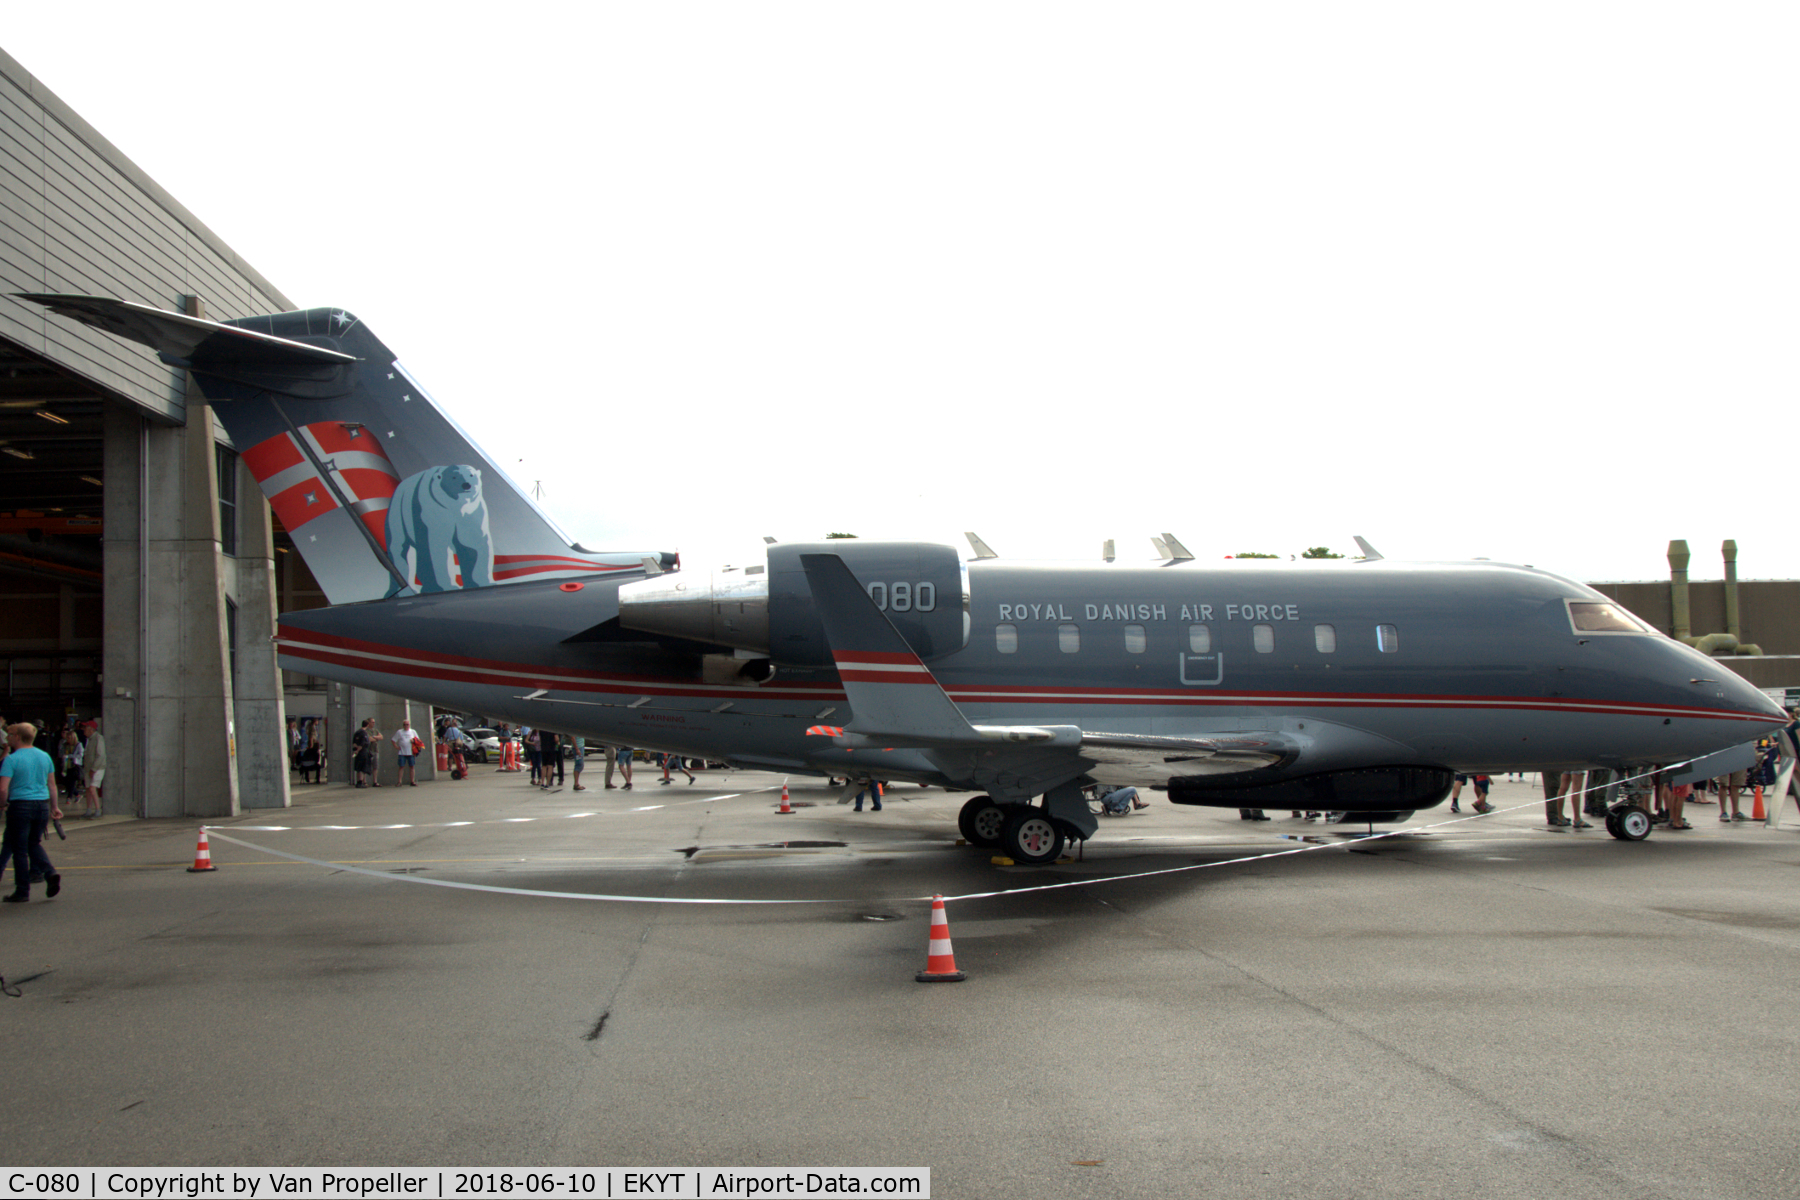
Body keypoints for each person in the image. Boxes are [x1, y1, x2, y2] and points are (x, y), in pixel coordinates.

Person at [0, 722, 62, 902]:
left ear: (18, 737)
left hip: (20, 805)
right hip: (41, 804)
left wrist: (2, 804)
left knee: (19, 849)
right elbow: (52, 785)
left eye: (10, 734)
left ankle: (22, 890)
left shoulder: (12, 759)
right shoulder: (44, 756)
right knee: (33, 843)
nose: (7, 737)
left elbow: (3, 789)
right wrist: (54, 807)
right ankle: (49, 873)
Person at [81, 718, 106, 818]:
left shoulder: (98, 738)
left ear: (91, 729)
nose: (84, 730)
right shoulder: (89, 739)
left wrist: (94, 769)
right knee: (88, 789)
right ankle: (88, 810)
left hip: (97, 768)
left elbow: (100, 755)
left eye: (85, 727)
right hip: (88, 768)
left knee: (92, 788)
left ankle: (97, 810)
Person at [392, 719, 423, 786]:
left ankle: (412, 781)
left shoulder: (413, 731)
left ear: (409, 725)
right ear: (403, 725)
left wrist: (413, 740)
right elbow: (393, 740)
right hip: (402, 752)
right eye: (404, 724)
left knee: (412, 766)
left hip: (411, 752)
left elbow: (418, 740)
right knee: (401, 766)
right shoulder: (399, 732)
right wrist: (396, 747)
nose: (406, 726)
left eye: (407, 724)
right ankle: (399, 781)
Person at [58, 728, 83, 802]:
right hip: (66, 766)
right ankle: (77, 795)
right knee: (66, 782)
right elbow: (61, 753)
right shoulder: (64, 745)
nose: (67, 739)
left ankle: (69, 797)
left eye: (69, 737)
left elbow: (80, 755)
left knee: (72, 782)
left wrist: (70, 756)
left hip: (74, 765)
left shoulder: (78, 744)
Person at [351, 718, 376, 787]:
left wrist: (356, 750)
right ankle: (360, 782)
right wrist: (358, 750)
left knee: (358, 767)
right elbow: (362, 744)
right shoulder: (364, 733)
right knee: (362, 768)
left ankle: (358, 782)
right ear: (367, 725)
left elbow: (354, 743)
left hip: (357, 752)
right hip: (363, 752)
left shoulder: (357, 732)